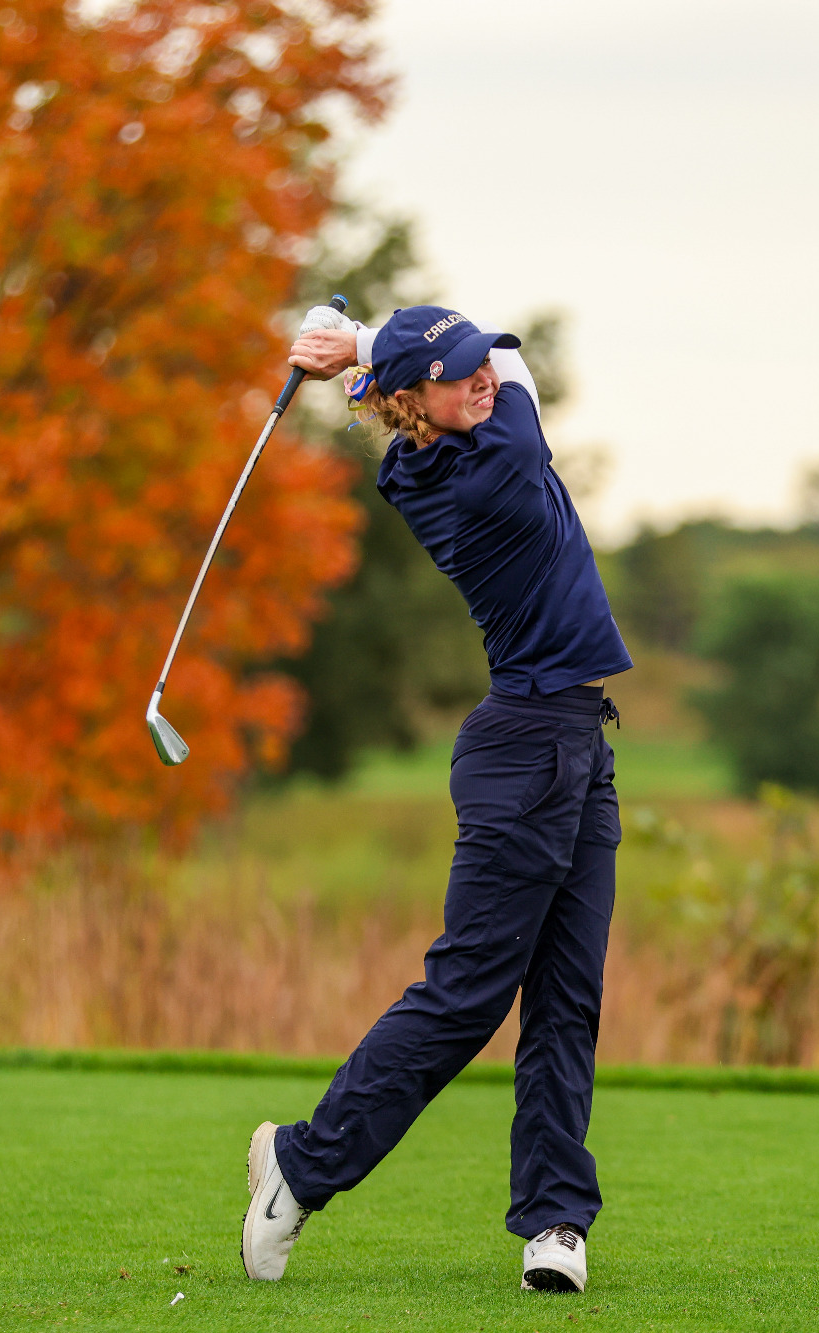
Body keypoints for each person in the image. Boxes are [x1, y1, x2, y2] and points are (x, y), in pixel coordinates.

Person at [239, 304, 633, 1294]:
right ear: (416, 400)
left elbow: (493, 351)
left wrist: (360, 345)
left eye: (472, 369)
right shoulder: (485, 471)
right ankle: (302, 1162)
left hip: (570, 745)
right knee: (467, 994)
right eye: (455, 377)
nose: (481, 379)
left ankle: (552, 1220)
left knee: (566, 996)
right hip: (529, 752)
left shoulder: (437, 442)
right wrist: (360, 344)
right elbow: (512, 362)